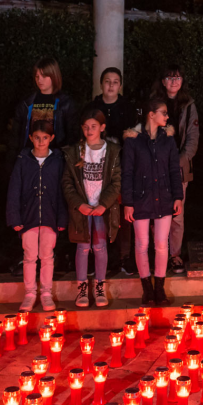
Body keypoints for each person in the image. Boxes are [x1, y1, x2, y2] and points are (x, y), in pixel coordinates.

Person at [122, 98, 184, 306]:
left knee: (160, 243)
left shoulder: (168, 139)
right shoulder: (133, 140)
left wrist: (178, 197)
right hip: (140, 198)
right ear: (151, 115)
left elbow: (174, 169)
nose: (167, 117)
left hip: (163, 197)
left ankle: (159, 287)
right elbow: (128, 172)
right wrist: (128, 202)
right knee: (141, 244)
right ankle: (146, 288)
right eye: (163, 113)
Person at [62, 109, 122, 308]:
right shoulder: (74, 152)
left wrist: (104, 204)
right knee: (82, 247)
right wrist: (78, 204)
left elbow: (116, 182)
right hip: (82, 209)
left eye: (93, 126)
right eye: (86, 127)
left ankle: (99, 287)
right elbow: (67, 182)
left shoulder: (112, 151)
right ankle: (81, 290)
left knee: (100, 247)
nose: (89, 130)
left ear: (102, 128)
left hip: (101, 209)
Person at [6, 120, 67, 312]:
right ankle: (30, 293)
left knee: (47, 256)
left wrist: (62, 217)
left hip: (50, 217)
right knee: (29, 256)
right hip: (28, 217)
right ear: (31, 138)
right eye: (37, 138)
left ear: (51, 139)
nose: (41, 142)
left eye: (45, 138)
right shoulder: (23, 160)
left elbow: (62, 190)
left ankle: (46, 293)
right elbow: (14, 190)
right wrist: (14, 217)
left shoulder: (57, 162)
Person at [88, 66, 140, 276]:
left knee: (123, 212)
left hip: (122, 167)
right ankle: (100, 256)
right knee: (100, 210)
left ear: (120, 85)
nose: (111, 85)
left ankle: (124, 257)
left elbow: (134, 138)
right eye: (107, 81)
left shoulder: (128, 108)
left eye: (115, 81)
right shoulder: (93, 107)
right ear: (101, 84)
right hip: (96, 168)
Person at [148, 65, 198, 275]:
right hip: (154, 165)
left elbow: (193, 137)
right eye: (169, 77)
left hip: (178, 167)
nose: (174, 81)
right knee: (154, 212)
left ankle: (175, 255)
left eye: (177, 77)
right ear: (163, 81)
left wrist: (179, 160)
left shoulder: (188, 105)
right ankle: (158, 253)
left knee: (177, 214)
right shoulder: (152, 103)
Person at [11, 57, 78, 155]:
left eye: (44, 76)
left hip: (55, 159)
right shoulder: (27, 103)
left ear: (54, 76)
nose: (39, 80)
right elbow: (15, 136)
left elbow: (73, 136)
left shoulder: (66, 103)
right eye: (37, 76)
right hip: (30, 157)